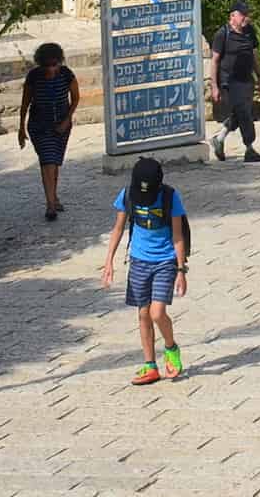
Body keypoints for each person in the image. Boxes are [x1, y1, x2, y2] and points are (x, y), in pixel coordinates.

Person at [98, 155, 189, 384]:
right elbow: (118, 228)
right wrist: (109, 260)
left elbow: (178, 235)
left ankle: (171, 348)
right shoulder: (128, 194)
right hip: (138, 260)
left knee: (157, 313)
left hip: (165, 261)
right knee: (143, 314)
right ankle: (150, 365)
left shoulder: (170, 197)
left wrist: (181, 270)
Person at [17, 42, 80, 221]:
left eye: (54, 64)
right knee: (47, 162)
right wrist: (21, 128)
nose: (51, 69)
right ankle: (50, 205)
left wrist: (66, 120)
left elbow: (75, 99)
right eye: (47, 65)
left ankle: (54, 196)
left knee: (54, 161)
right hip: (39, 125)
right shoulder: (34, 77)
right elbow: (25, 103)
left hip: (62, 125)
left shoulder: (67, 75)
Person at [209, 4, 260, 162]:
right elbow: (215, 61)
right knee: (244, 112)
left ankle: (219, 139)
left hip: (247, 80)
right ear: (233, 16)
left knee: (241, 113)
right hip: (229, 82)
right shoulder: (222, 34)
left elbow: (253, 55)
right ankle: (249, 148)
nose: (246, 18)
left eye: (247, 15)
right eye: (243, 15)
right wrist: (214, 86)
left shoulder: (249, 31)